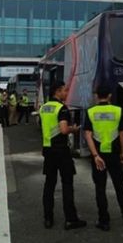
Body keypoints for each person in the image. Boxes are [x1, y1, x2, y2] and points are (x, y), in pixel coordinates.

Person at [84, 85, 123, 231]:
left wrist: (95, 156)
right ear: (110, 95)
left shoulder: (91, 112)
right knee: (119, 186)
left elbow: (87, 135)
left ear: (96, 96)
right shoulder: (118, 111)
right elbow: (122, 134)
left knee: (100, 188)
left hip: (98, 156)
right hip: (114, 155)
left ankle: (104, 221)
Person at [39, 81, 86, 230]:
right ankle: (70, 219)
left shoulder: (44, 107)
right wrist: (74, 129)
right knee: (67, 184)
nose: (66, 93)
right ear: (58, 91)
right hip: (61, 150)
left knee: (49, 185)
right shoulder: (62, 108)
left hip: (48, 150)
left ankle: (48, 218)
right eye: (65, 90)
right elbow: (64, 130)